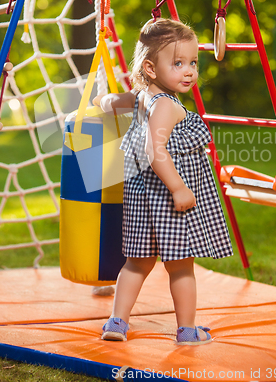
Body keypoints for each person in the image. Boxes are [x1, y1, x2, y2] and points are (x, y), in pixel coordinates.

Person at [93, 18, 233, 346]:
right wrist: (179, 187)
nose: (189, 71)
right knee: (181, 269)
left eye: (193, 63)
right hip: (169, 202)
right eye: (179, 63)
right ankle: (186, 330)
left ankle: (117, 321)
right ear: (151, 68)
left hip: (141, 200)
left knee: (137, 263)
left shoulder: (142, 97)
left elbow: (114, 102)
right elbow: (154, 151)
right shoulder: (168, 106)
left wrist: (99, 101)